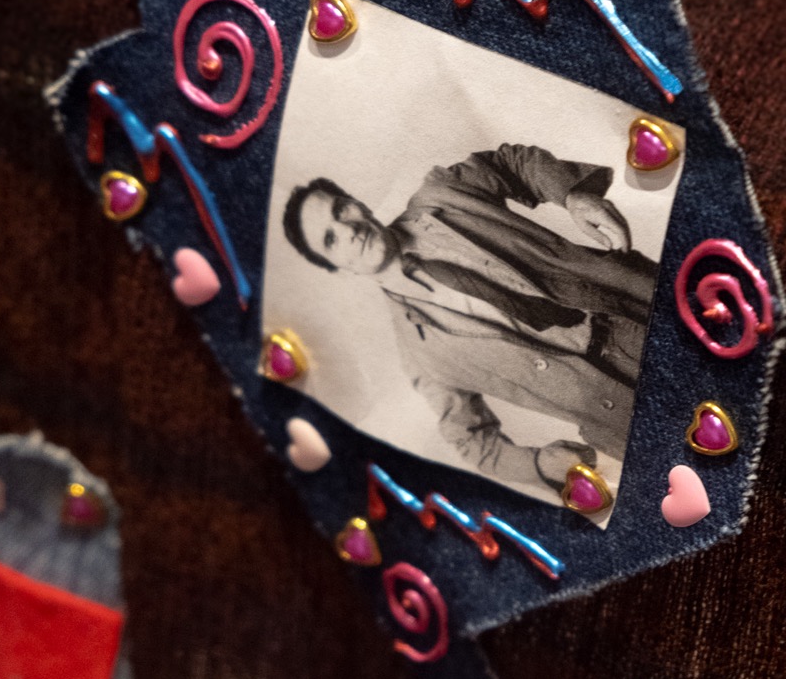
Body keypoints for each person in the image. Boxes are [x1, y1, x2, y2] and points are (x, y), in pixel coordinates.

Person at [282, 143, 658, 491]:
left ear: (357, 203)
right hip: (622, 419)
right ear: (335, 267)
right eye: (330, 239)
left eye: (340, 210)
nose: (348, 230)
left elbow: (511, 163)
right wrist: (540, 465)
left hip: (643, 307)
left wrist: (573, 194)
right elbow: (472, 441)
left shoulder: (443, 192)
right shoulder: (419, 356)